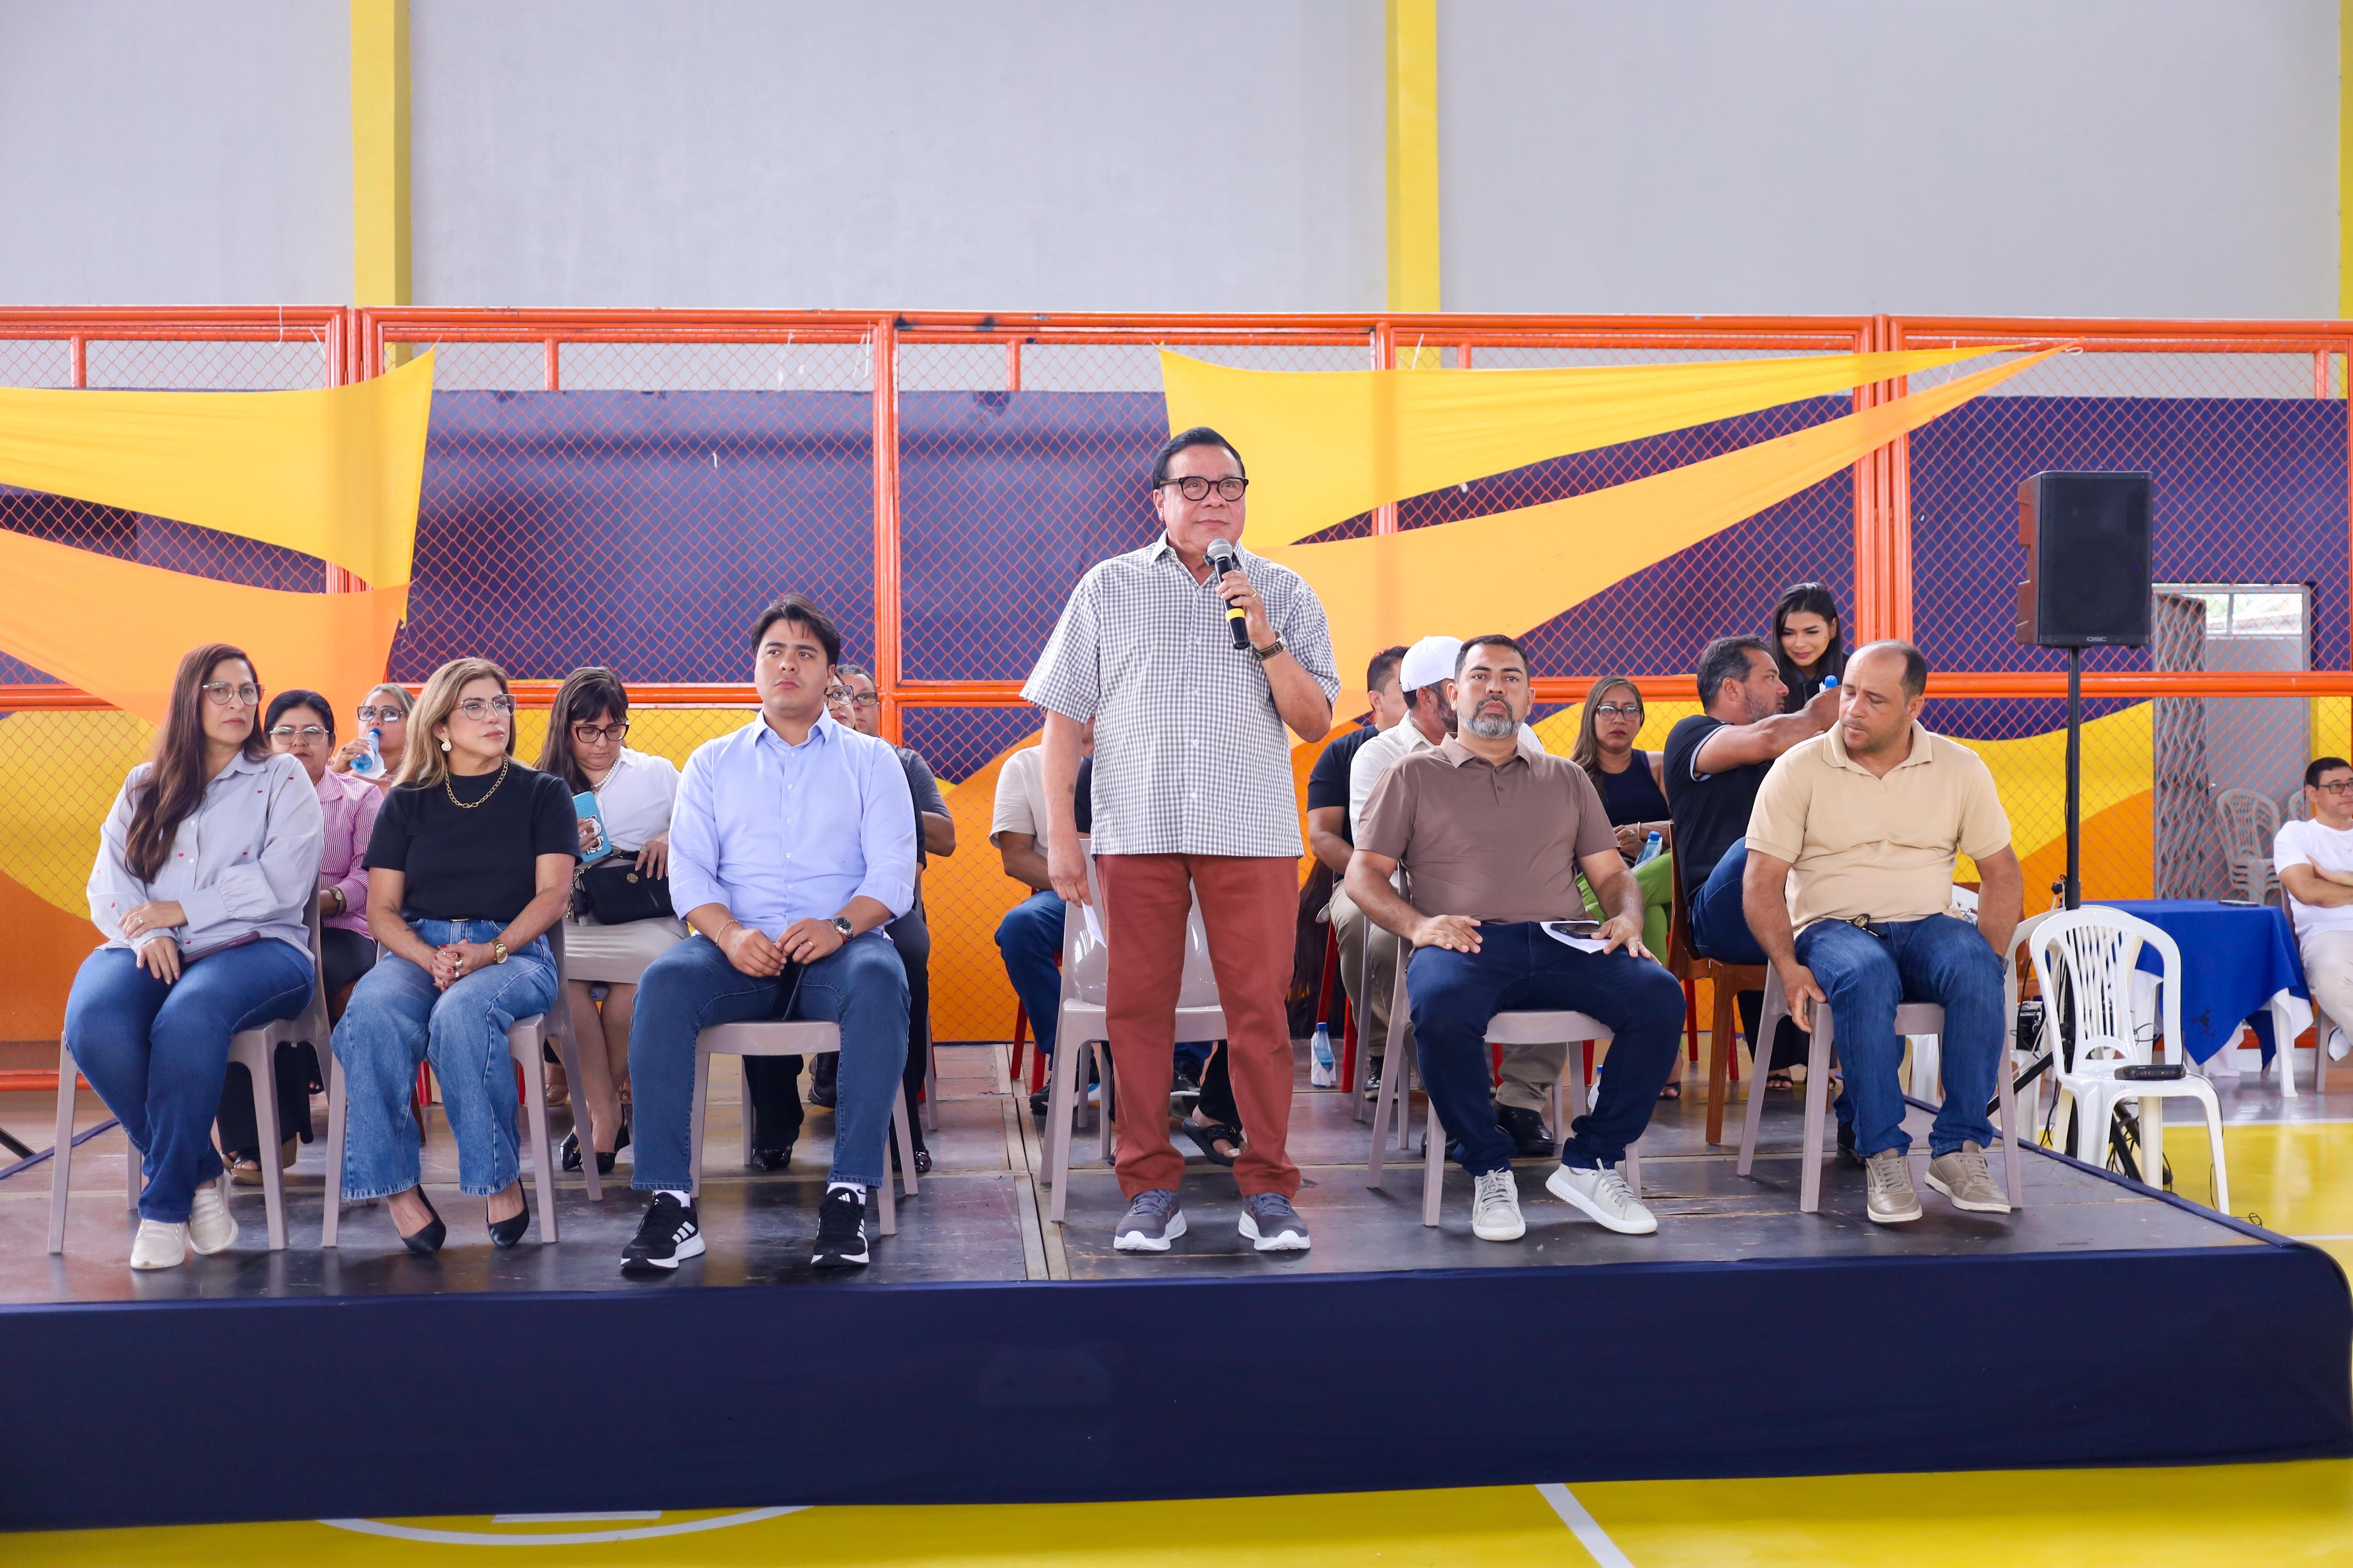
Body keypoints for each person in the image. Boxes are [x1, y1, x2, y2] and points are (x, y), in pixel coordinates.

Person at [1025, 425, 1338, 1254]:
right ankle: (1149, 1189)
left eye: (1228, 486)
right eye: (1192, 486)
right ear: (1159, 500)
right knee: (1136, 1013)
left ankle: (1267, 1189)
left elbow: (1314, 721)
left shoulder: (1283, 591)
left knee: (1259, 1014)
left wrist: (1263, 632)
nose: (1212, 500)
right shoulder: (1108, 586)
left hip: (1251, 834)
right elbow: (1063, 724)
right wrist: (1063, 839)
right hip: (1138, 831)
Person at [1347, 634, 1686, 1243]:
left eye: (1510, 677)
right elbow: (1362, 874)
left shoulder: (1565, 778)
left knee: (1659, 995)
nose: (1495, 688)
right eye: (1480, 676)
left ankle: (1590, 1162)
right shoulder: (1411, 774)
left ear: (1530, 697)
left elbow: (1613, 876)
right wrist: (1419, 926)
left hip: (1564, 939)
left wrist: (1628, 916)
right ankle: (1488, 1167)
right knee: (1441, 1007)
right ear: (1453, 694)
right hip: (1466, 941)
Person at [620, 595, 916, 1273]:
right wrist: (727, 935)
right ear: (754, 667)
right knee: (664, 982)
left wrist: (840, 926)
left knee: (881, 976)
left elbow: (894, 873)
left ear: (829, 674)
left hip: (839, 953)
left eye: (805, 654)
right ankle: (670, 1203)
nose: (788, 665)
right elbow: (690, 875)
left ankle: (847, 1195)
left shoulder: (872, 761)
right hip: (735, 955)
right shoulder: (712, 762)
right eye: (774, 652)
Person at [1741, 640, 2023, 1224]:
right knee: (1866, 973)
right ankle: (1883, 1155)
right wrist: (1787, 966)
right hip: (1831, 928)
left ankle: (1958, 1150)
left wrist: (1987, 958)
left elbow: (2001, 872)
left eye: (1874, 699)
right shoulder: (1798, 768)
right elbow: (1760, 880)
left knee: (1979, 968)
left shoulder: (1959, 767)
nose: (1853, 709)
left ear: (1913, 707)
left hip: (1926, 925)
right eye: (1848, 692)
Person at [67, 644, 322, 1271]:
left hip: (261, 947)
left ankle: (161, 1210)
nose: (239, 703)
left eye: (248, 690)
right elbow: (109, 884)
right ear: (190, 699)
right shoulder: (144, 783)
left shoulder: (281, 776)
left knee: (188, 1015)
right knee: (94, 1021)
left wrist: (178, 912)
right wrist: (144, 933)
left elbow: (284, 883)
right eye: (221, 690)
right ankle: (202, 1176)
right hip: (154, 947)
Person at [333, 658, 576, 1252]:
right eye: (475, 706)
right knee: (369, 1013)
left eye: (501, 704)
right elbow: (382, 910)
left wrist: (490, 950)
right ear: (440, 726)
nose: (495, 716)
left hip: (514, 950)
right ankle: (397, 1190)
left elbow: (554, 895)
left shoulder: (543, 793)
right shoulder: (406, 802)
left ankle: (497, 1177)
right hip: (421, 949)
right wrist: (427, 957)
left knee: (462, 1013)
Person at [1351, 634, 1560, 1155]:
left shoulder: (1524, 739)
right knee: (1382, 940)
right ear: (1433, 695)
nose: (1487, 691)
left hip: (1504, 892)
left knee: (1559, 932)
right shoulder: (1381, 756)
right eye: (1468, 681)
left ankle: (1522, 1099)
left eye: (1499, 680)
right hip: (1412, 895)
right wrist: (1428, 915)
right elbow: (1375, 863)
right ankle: (1455, 1095)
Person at [217, 688, 382, 1184]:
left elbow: (369, 874)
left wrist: (319, 902)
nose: (299, 741)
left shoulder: (360, 796)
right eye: (285, 731)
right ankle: (256, 1136)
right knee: (227, 988)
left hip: (339, 929)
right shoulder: (244, 799)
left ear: (332, 742)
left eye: (313, 731)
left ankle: (281, 1129)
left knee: (303, 975)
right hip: (266, 928)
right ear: (265, 741)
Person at [1663, 636, 1838, 1090]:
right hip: (1718, 913)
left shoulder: (1784, 757)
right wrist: (1822, 712)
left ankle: (1841, 1073)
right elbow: (1769, 737)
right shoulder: (1691, 734)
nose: (1784, 688)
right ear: (1732, 688)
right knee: (1758, 847)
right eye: (1770, 677)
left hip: (1781, 907)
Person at [537, 667, 682, 1176]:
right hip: (572, 923)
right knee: (554, 981)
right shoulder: (539, 784)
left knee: (638, 987)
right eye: (589, 731)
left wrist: (670, 836)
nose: (603, 743)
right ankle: (605, 1113)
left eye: (614, 729)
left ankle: (595, 1118)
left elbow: (706, 830)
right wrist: (557, 847)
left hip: (647, 920)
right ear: (565, 727)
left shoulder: (657, 773)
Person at [812, 662, 954, 1175]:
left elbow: (935, 846)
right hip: (811, 905)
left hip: (884, 905)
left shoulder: (899, 762)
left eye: (860, 697)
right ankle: (777, 1117)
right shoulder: (788, 761)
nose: (848, 705)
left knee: (908, 952)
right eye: (837, 695)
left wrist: (891, 799)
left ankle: (902, 1122)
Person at [1308, 645, 1407, 1094]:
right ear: (1376, 700)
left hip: (1438, 878)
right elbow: (1322, 837)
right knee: (1360, 921)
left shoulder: (1452, 747)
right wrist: (1372, 874)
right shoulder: (1342, 752)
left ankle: (1453, 1047)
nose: (1422, 700)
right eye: (1407, 692)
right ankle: (1382, 1051)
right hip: (1360, 878)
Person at [993, 719, 1093, 1113]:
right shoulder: (1025, 765)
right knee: (1019, 928)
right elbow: (1015, 857)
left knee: (1194, 922)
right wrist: (1082, 887)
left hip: (1142, 894)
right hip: (1064, 895)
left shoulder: (1144, 759)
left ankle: (1181, 1068)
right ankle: (1072, 1060)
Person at [1568, 675, 1675, 974]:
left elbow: (1687, 829)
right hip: (1597, 878)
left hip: (1660, 872)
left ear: (1640, 720)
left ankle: (1590, 916)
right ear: (1591, 716)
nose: (1619, 718)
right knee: (1650, 914)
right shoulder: (1572, 774)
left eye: (1630, 710)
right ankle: (1656, 999)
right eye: (1608, 709)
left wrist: (1642, 834)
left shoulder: (1658, 765)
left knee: (1680, 859)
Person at [2270, 757, 2353, 1066]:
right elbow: (2308, 891)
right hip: (2328, 934)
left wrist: (2336, 879)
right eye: (2336, 786)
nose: (2348, 791)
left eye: (2351, 784)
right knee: (2330, 972)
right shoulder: (2297, 835)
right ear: (2312, 794)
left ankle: (2347, 1031)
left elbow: (2322, 890)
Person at [1771, 582, 1848, 714]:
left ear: (1833, 628)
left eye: (1811, 632)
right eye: (1788, 633)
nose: (1799, 644)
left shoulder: (1853, 673)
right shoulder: (1764, 675)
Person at [331, 682, 413, 788]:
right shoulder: (341, 775)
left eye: (390, 713)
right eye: (369, 713)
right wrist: (334, 772)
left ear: (412, 722)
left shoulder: (424, 780)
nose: (375, 721)